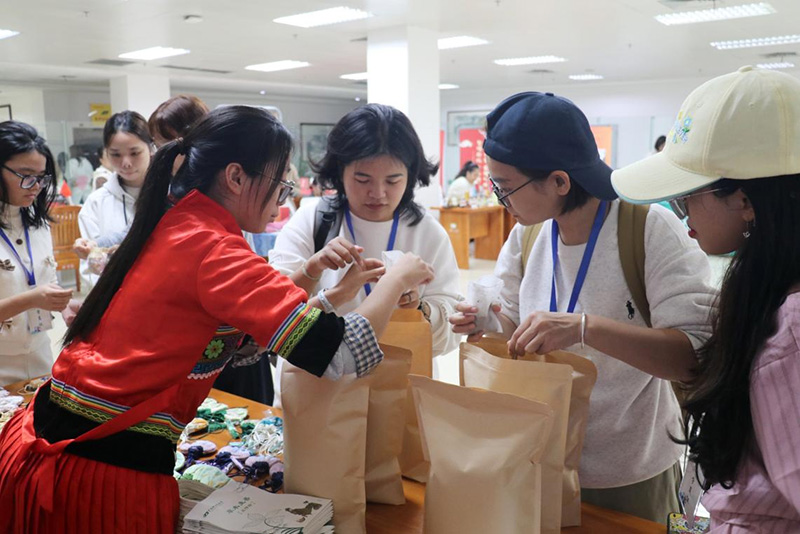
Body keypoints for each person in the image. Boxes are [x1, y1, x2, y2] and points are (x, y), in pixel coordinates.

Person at [0, 105, 433, 533]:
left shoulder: (180, 222)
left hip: (47, 445)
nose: (282, 202)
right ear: (236, 176)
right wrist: (397, 279)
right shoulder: (216, 249)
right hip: (97, 473)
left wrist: (330, 293)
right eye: (280, 185)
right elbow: (342, 356)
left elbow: (235, 336)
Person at [449, 91, 717, 523]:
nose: (501, 199)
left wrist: (586, 327)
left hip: (629, 471)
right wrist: (484, 320)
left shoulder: (648, 228)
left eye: (506, 187)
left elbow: (693, 358)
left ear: (559, 181)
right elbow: (515, 324)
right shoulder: (529, 235)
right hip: (540, 456)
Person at [612, 66, 800, 533]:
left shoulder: (792, 329)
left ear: (747, 200)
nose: (681, 214)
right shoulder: (766, 293)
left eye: (688, 196)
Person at [270, 103, 462, 358]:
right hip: (319, 386)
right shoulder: (312, 221)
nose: (378, 193)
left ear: (411, 174)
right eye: (362, 179)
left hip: (402, 383)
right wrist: (316, 272)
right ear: (340, 172)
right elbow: (272, 310)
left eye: (393, 180)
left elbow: (452, 328)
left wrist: (420, 309)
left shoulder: (428, 233)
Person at [0, 121, 73, 385]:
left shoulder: (37, 222)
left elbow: (44, 281)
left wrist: (64, 308)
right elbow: (33, 295)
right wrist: (31, 299)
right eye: (25, 175)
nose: (36, 186)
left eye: (42, 177)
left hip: (41, 356)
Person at [75, 111, 153, 286]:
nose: (126, 162)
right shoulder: (96, 203)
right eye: (116, 154)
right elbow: (90, 266)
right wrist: (92, 254)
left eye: (134, 153)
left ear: (150, 147)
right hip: (115, 300)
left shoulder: (169, 194)